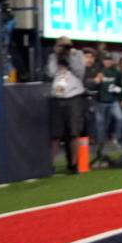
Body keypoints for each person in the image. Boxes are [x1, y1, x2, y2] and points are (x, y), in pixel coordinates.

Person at [46, 37, 87, 173]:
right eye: (61, 46)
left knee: (74, 132)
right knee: (55, 134)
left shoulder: (77, 54)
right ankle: (49, 165)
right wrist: (57, 55)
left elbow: (80, 72)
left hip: (73, 96)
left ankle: (73, 164)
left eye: (66, 46)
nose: (64, 49)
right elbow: (51, 73)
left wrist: (70, 57)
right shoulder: (53, 56)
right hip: (57, 97)